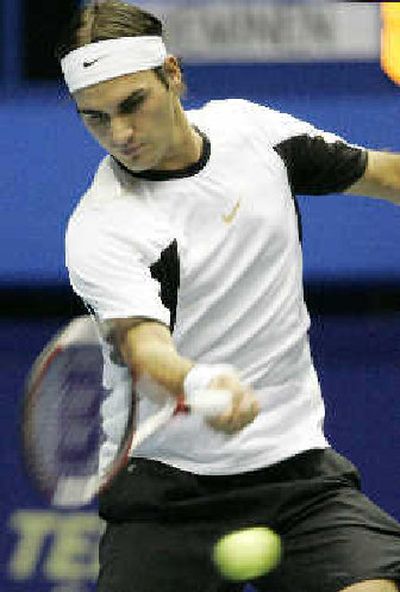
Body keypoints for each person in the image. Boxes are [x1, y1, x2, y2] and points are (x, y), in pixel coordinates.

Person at [56, 2, 400, 591]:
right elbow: (144, 348)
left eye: (132, 104)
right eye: (96, 118)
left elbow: (387, 176)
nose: (121, 135)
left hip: (298, 479)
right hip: (164, 493)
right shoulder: (103, 225)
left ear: (173, 73)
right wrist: (198, 383)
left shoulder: (254, 135)